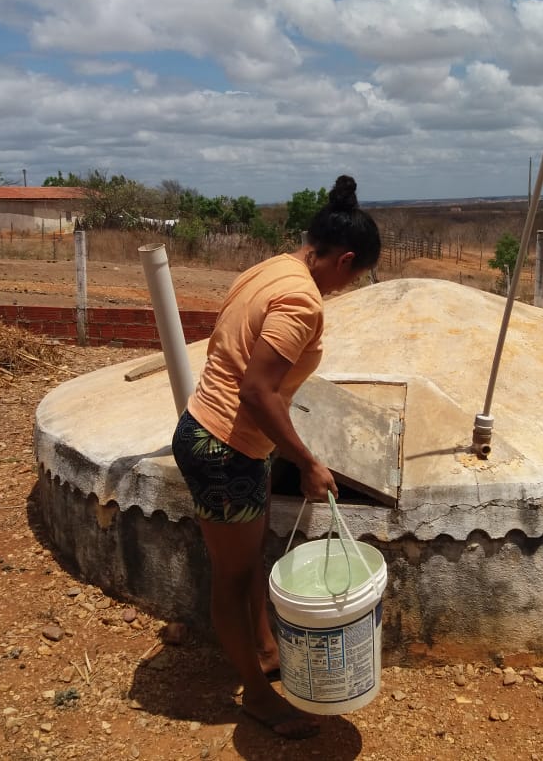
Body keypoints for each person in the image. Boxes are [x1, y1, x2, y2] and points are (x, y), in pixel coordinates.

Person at [171, 175, 381, 739]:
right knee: (233, 580)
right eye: (352, 278)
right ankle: (259, 699)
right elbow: (257, 391)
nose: (344, 289)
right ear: (345, 259)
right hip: (226, 449)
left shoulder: (269, 270)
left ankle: (265, 652)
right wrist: (308, 462)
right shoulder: (300, 300)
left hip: (214, 436)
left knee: (248, 562)